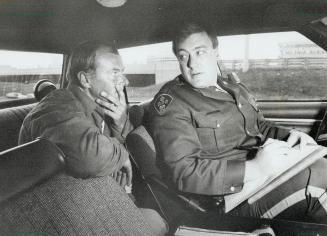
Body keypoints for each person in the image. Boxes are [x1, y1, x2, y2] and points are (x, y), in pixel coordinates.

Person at [147, 22, 327, 223]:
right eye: (183, 56)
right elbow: (183, 173)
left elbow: (259, 127)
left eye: (199, 52)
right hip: (233, 200)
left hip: (264, 177)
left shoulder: (232, 87)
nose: (191, 64)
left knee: (323, 167)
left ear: (216, 52)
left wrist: (292, 136)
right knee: (317, 182)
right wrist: (256, 168)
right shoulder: (172, 103)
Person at [19, 41, 167, 235]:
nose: (125, 81)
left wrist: (121, 121)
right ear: (85, 80)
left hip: (102, 199)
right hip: (64, 215)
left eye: (122, 72)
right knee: (158, 223)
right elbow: (89, 155)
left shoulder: (100, 103)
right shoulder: (56, 107)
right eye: (114, 72)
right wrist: (120, 154)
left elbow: (126, 148)